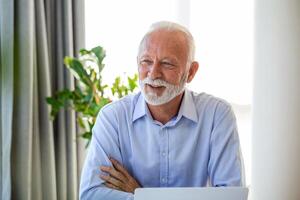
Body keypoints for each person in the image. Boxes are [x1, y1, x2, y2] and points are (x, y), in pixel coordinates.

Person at [79, 21, 245, 200]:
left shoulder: (217, 116)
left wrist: (140, 194)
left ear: (191, 72)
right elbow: (92, 195)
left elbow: (231, 196)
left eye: (167, 64)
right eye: (146, 61)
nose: (153, 73)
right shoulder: (112, 118)